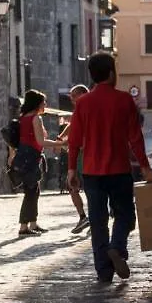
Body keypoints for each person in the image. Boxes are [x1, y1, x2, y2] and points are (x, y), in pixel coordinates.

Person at [68, 53, 152, 283]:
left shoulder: (83, 103)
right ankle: (117, 248)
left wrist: (71, 170)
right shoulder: (124, 100)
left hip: (91, 172)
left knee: (98, 222)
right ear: (111, 73)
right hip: (119, 170)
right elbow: (135, 138)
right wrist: (146, 168)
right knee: (125, 215)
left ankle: (104, 271)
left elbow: (74, 140)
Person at [14, 89, 65, 237]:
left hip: (24, 156)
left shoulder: (23, 118)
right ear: (37, 104)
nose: (45, 105)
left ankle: (33, 223)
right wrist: (59, 144)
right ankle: (24, 227)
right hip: (31, 158)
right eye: (44, 102)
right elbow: (40, 141)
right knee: (30, 192)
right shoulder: (35, 119)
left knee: (34, 191)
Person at [55, 84, 91, 234]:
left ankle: (93, 217)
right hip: (78, 153)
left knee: (90, 186)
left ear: (82, 94)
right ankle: (84, 217)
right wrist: (61, 137)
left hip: (86, 153)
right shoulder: (78, 109)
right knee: (72, 186)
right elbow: (72, 124)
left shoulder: (89, 108)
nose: (71, 99)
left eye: (73, 96)